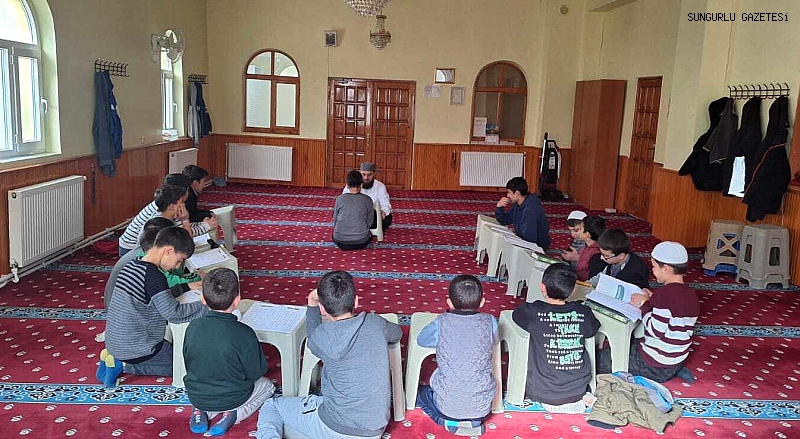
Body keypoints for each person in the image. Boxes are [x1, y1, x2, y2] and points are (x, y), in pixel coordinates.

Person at [256, 271, 402, 439]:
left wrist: (311, 302)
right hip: (374, 430)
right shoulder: (376, 323)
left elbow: (312, 336)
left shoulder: (321, 337)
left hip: (334, 425)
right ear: (356, 301)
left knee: (272, 406)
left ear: (322, 309)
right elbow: (396, 334)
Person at [99, 226, 208, 387]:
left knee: (176, 352)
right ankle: (122, 365)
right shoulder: (154, 275)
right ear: (168, 251)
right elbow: (174, 313)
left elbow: (158, 296)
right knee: (185, 367)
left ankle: (112, 357)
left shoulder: (132, 265)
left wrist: (186, 287)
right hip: (137, 348)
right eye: (179, 260)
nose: (177, 266)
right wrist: (207, 305)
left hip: (116, 341)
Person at [184, 268, 274, 436]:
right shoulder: (244, 332)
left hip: (197, 395)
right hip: (234, 397)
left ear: (202, 299)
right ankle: (233, 414)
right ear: (237, 299)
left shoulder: (192, 327)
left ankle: (200, 410)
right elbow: (256, 372)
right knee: (268, 386)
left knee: (209, 388)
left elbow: (189, 363)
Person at [598, 241, 699, 383]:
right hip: (675, 359)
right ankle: (676, 370)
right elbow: (672, 314)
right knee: (631, 343)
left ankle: (664, 373)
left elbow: (655, 330)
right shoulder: (690, 294)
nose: (653, 270)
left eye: (654, 267)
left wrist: (644, 304)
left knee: (599, 359)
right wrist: (652, 301)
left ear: (666, 269)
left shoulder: (664, 295)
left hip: (654, 364)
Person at [416, 274, 498, 436]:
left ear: (449, 302)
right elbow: (494, 340)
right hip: (482, 407)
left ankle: (446, 422)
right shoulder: (490, 321)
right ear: (482, 302)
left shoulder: (442, 322)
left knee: (421, 394)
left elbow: (422, 340)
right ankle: (474, 423)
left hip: (447, 407)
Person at [512, 264, 599, 413]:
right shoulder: (583, 312)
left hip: (542, 391)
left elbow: (516, 315)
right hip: (578, 389)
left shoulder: (533, 311)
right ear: (573, 290)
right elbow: (592, 330)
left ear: (542, 287)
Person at [118, 185, 188, 257]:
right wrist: (185, 220)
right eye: (182, 202)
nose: (184, 204)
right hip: (135, 254)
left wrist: (184, 219)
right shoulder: (157, 225)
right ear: (172, 206)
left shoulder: (169, 216)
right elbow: (185, 245)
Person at [495, 177, 551, 250]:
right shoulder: (518, 205)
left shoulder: (530, 210)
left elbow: (530, 240)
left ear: (517, 193)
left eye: (509, 192)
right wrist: (499, 207)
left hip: (537, 246)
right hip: (525, 241)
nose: (507, 195)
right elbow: (504, 220)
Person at [332, 170, 375, 251]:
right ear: (361, 185)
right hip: (361, 241)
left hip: (340, 240)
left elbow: (335, 219)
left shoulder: (340, 198)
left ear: (347, 185)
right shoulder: (367, 199)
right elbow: (370, 222)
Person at [343, 162, 392, 231]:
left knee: (388, 218)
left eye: (369, 175)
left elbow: (385, 203)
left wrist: (383, 212)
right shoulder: (352, 184)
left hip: (372, 216)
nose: (366, 178)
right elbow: (344, 200)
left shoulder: (380, 186)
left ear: (374, 174)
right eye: (364, 174)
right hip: (355, 215)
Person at [560, 215, 605, 281]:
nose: (572, 234)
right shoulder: (587, 246)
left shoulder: (597, 254)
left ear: (587, 234)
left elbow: (592, 281)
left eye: (580, 229)